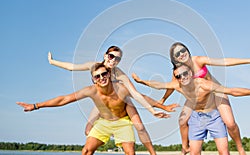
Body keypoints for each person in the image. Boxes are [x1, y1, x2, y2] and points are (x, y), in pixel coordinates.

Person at [134, 42, 250, 155]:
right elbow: (169, 86)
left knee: (230, 123)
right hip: (197, 96)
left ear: (187, 50)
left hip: (215, 92)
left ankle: (240, 148)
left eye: (183, 50)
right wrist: (162, 99)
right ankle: (185, 147)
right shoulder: (179, 72)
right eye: (177, 54)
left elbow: (224, 62)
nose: (182, 54)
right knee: (182, 120)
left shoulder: (197, 60)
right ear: (174, 59)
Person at [48, 46, 178, 155]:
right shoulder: (93, 66)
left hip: (122, 101)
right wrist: (53, 62)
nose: (114, 60)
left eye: (118, 58)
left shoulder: (119, 74)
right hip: (103, 102)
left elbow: (136, 94)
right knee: (87, 131)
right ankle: (112, 133)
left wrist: (153, 109)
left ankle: (152, 153)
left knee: (140, 126)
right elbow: (72, 67)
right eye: (111, 56)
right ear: (105, 56)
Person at [18, 62, 167, 154]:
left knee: (130, 153)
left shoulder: (121, 88)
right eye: (97, 76)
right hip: (103, 123)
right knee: (86, 150)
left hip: (123, 122)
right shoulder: (91, 90)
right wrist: (36, 106)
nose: (101, 78)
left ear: (108, 74)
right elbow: (64, 99)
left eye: (104, 74)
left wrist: (162, 106)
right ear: (93, 80)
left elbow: (142, 97)